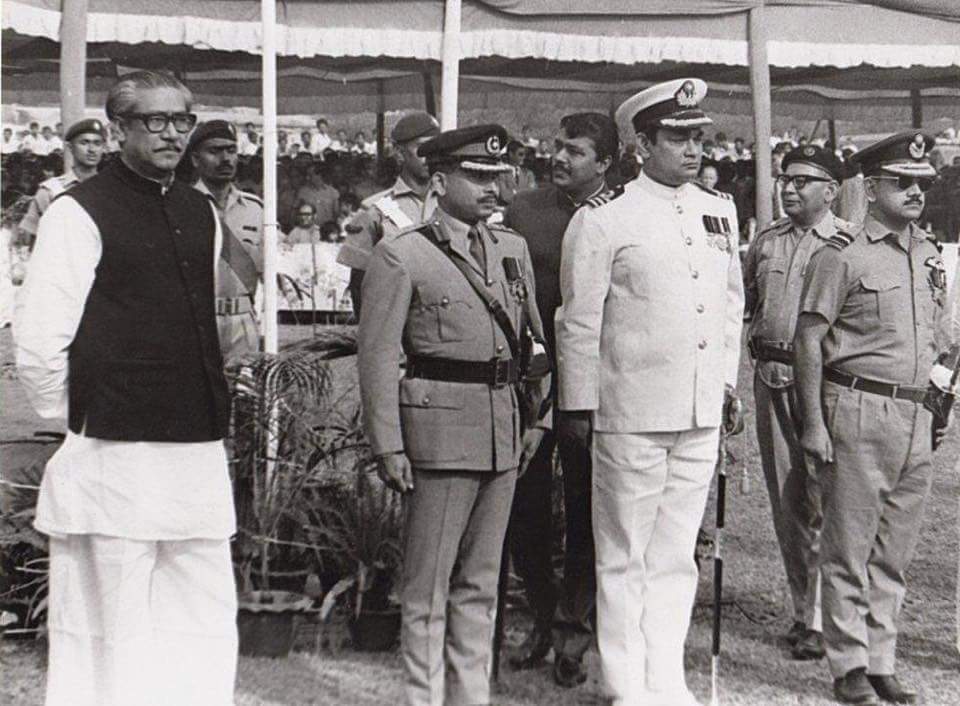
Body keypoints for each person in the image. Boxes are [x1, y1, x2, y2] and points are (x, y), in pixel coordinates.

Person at [14, 69, 236, 706]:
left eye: (182, 120)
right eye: (154, 121)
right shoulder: (76, 212)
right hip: (113, 452)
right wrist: (85, 414)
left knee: (201, 617)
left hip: (195, 447)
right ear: (118, 130)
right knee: (110, 623)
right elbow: (40, 339)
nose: (172, 134)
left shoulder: (200, 210)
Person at [556, 78, 744, 706]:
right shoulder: (604, 217)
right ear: (642, 144)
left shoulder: (718, 211)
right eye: (677, 137)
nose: (693, 149)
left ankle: (666, 677)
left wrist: (725, 384)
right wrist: (578, 407)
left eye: (699, 137)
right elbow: (579, 320)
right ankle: (625, 683)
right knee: (623, 554)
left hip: (698, 409)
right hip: (629, 411)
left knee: (676, 555)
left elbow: (729, 307)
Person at [358, 123, 551, 706]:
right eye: (477, 176)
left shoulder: (511, 249)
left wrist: (539, 420)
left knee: (481, 586)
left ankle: (470, 697)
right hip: (438, 434)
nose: (493, 187)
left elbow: (534, 344)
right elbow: (377, 355)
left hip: (503, 432)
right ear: (439, 182)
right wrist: (388, 444)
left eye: (498, 176)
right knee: (427, 589)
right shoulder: (402, 254)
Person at [794, 131, 946, 706]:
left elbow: (938, 338)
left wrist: (937, 403)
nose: (915, 192)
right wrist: (813, 424)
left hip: (915, 413)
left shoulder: (928, 254)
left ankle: (881, 660)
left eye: (922, 183)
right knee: (848, 545)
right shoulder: (842, 254)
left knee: (894, 551)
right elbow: (809, 340)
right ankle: (849, 662)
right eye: (902, 182)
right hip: (858, 407)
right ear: (873, 187)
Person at [503, 112, 618, 688]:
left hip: (596, 383)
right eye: (557, 146)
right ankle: (544, 615)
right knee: (522, 504)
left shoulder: (622, 213)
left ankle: (574, 631)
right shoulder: (524, 210)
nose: (560, 157)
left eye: (575, 151)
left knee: (585, 508)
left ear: (605, 163)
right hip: (531, 378)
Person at [743, 145, 855, 662]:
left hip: (824, 381)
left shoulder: (847, 243)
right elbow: (747, 304)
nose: (789, 188)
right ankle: (802, 611)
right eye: (786, 179)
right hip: (771, 376)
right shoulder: (767, 240)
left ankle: (825, 618)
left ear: (830, 191)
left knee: (826, 499)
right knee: (788, 504)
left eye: (803, 181)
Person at [338, 111, 440, 315]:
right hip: (396, 320)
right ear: (399, 152)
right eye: (422, 148)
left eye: (435, 147)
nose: (430, 156)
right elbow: (359, 285)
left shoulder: (451, 204)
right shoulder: (374, 210)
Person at [189, 120, 264, 361]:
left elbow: (269, 273)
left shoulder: (255, 209)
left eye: (231, 150)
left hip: (243, 324)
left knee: (244, 384)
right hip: (196, 322)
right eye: (215, 151)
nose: (226, 159)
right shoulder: (182, 206)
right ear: (195, 159)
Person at [18, 118, 106, 247]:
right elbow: (30, 239)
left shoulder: (112, 189)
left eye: (97, 143)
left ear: (103, 148)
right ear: (70, 147)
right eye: (84, 143)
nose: (92, 149)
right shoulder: (51, 191)